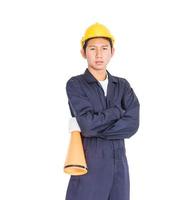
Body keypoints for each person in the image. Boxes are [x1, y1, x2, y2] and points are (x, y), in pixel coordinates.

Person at [65, 22, 140, 200]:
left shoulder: (122, 86)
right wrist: (116, 112)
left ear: (112, 51)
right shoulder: (76, 84)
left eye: (104, 48)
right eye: (92, 49)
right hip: (89, 165)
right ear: (83, 52)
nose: (99, 54)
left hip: (119, 168)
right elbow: (88, 126)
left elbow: (132, 125)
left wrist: (93, 127)